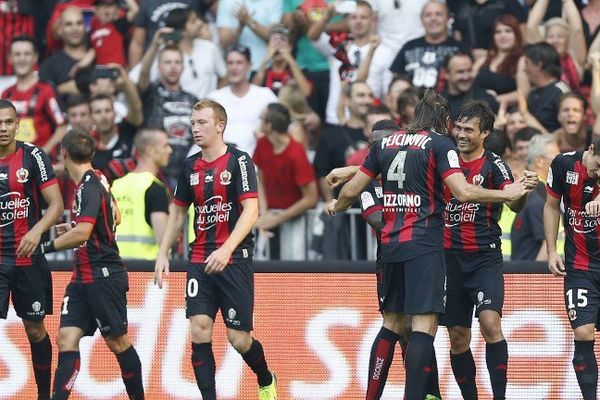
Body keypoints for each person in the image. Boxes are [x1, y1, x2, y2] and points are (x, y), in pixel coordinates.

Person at [326, 90, 532, 399]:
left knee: (392, 324)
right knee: (423, 329)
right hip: (427, 247)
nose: (460, 134)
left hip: (393, 248)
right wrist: (509, 194)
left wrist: (337, 204)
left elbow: (353, 190)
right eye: (457, 127)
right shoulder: (440, 145)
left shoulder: (386, 144)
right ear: (447, 122)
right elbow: (461, 191)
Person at [154, 100, 277, 400]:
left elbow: (251, 211)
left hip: (234, 259)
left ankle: (266, 378)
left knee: (239, 339)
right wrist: (163, 252)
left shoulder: (239, 161)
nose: (195, 128)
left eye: (202, 123)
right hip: (199, 259)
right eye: (193, 123)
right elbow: (179, 213)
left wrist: (227, 249)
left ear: (220, 125)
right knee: (199, 329)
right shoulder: (189, 166)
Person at [39, 129, 144, 400]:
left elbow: (84, 234)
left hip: (103, 275)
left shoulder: (88, 185)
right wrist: (76, 225)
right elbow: (116, 216)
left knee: (118, 342)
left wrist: (45, 247)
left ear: (63, 153)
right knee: (66, 338)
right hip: (82, 277)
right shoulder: (99, 179)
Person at [442, 101, 536, 400]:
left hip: (484, 257)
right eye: (458, 127)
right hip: (448, 260)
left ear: (485, 133)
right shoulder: (444, 159)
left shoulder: (494, 164)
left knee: (490, 323)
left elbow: (514, 202)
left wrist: (521, 192)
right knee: (457, 338)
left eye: (469, 129)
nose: (461, 134)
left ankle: (499, 397)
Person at [0, 99, 64, 400]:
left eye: (8, 122)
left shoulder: (33, 155)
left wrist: (37, 231)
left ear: (17, 124)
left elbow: (56, 205)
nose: (3, 129)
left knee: (35, 329)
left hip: (28, 259)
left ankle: (42, 395)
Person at [544, 135, 600, 400]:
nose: (598, 173)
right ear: (590, 149)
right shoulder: (563, 165)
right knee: (583, 332)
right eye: (598, 165)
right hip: (579, 265)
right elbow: (551, 206)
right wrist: (552, 249)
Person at [253, 103, 317, 260]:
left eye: (262, 119)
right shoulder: (263, 144)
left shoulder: (296, 154)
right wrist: (264, 212)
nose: (258, 122)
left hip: (294, 219)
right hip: (269, 217)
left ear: (269, 125)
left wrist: (278, 218)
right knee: (263, 265)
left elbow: (311, 198)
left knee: (293, 268)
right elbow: (260, 179)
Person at [138, 30, 198, 188]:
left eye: (177, 62)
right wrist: (155, 45)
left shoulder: (193, 100)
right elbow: (143, 74)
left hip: (186, 173)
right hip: (156, 172)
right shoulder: (151, 93)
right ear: (158, 66)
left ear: (183, 67)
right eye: (168, 62)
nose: (173, 67)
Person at [207, 44, 278, 156]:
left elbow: (281, 127)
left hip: (257, 161)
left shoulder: (265, 95)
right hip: (221, 161)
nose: (234, 67)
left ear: (249, 65)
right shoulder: (214, 98)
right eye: (230, 63)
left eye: (239, 63)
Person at [112, 129, 171, 260]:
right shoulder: (155, 188)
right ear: (150, 150)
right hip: (145, 270)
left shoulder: (116, 185)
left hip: (116, 267)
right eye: (165, 146)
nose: (170, 150)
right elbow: (164, 239)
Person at [2, 35, 67, 153]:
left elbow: (62, 127)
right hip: (14, 164)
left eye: (27, 54)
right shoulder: (6, 94)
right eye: (17, 54)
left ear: (35, 57)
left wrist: (41, 154)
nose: (22, 59)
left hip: (40, 165)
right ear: (10, 58)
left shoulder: (46, 90)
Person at [389, 0, 468, 89]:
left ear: (448, 19)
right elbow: (396, 80)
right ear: (421, 20)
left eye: (438, 14)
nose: (433, 18)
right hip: (412, 101)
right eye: (428, 15)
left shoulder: (460, 48)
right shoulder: (409, 47)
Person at [511, 134, 560, 261]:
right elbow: (547, 247)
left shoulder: (532, 194)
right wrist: (534, 279)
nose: (561, 163)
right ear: (539, 161)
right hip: (529, 276)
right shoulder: (540, 199)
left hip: (522, 274)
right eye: (557, 158)